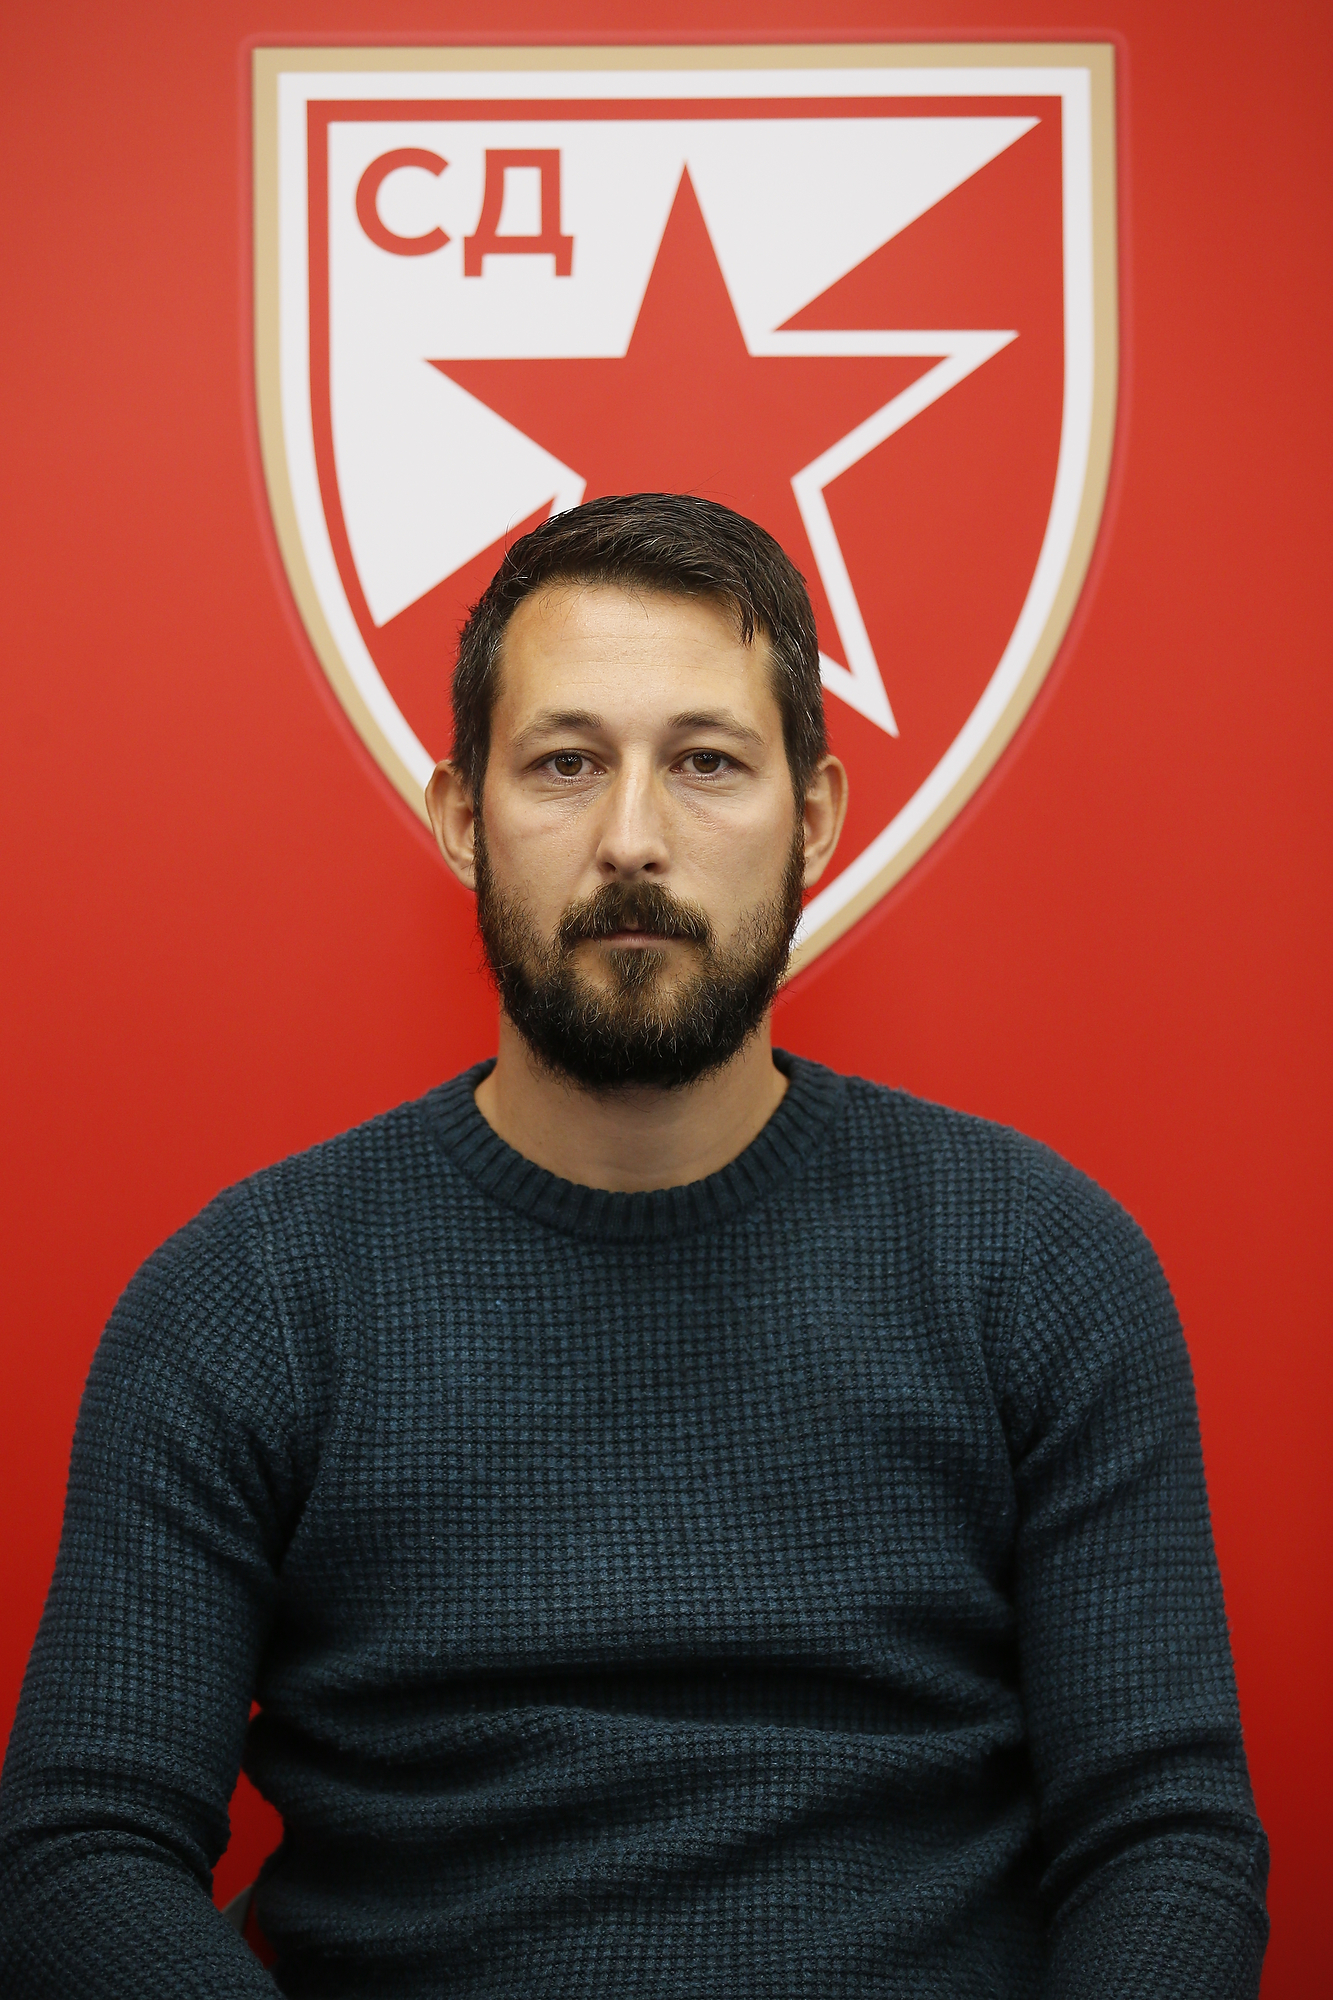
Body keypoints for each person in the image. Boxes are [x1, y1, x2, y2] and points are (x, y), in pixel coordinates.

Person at [0, 494, 1267, 1996]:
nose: (631, 840)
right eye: (565, 763)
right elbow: (80, 1853)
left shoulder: (1039, 1265)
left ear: (814, 817)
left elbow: (1164, 1841)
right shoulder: (248, 1298)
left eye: (706, 763)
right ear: (461, 814)